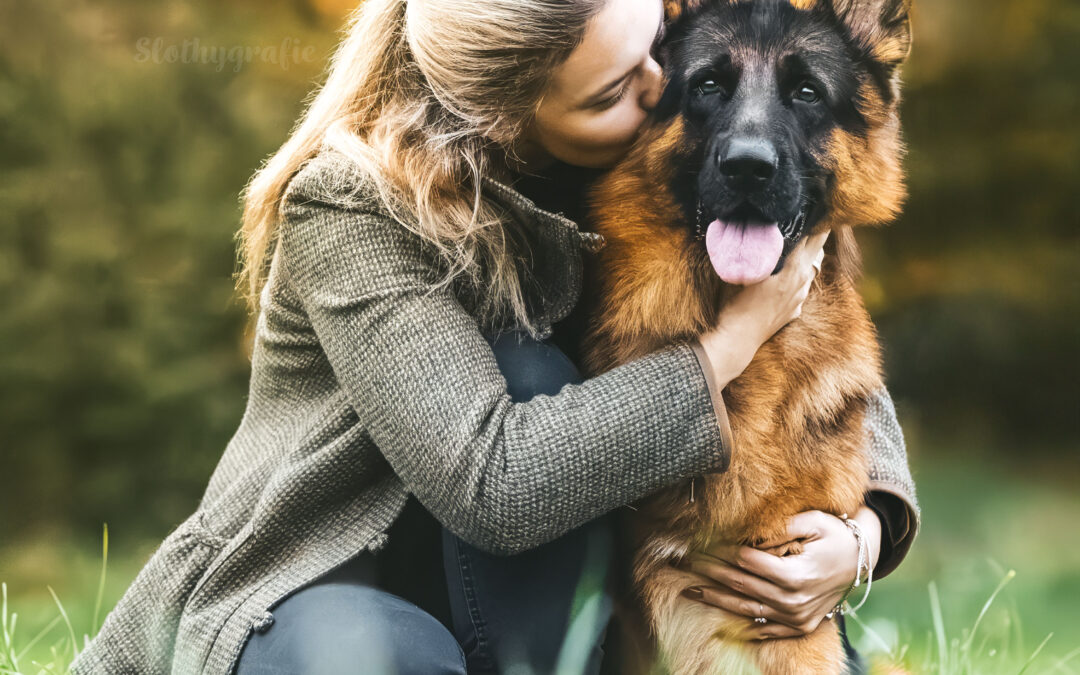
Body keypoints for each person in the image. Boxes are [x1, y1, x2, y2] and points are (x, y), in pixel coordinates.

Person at [71, 0, 920, 673]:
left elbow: (824, 330)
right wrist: (734, 341)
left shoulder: (627, 156)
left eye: (656, 53)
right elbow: (497, 484)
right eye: (615, 89)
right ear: (505, 113)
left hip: (523, 597)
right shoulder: (352, 205)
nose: (663, 92)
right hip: (329, 578)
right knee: (522, 384)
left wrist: (864, 533)